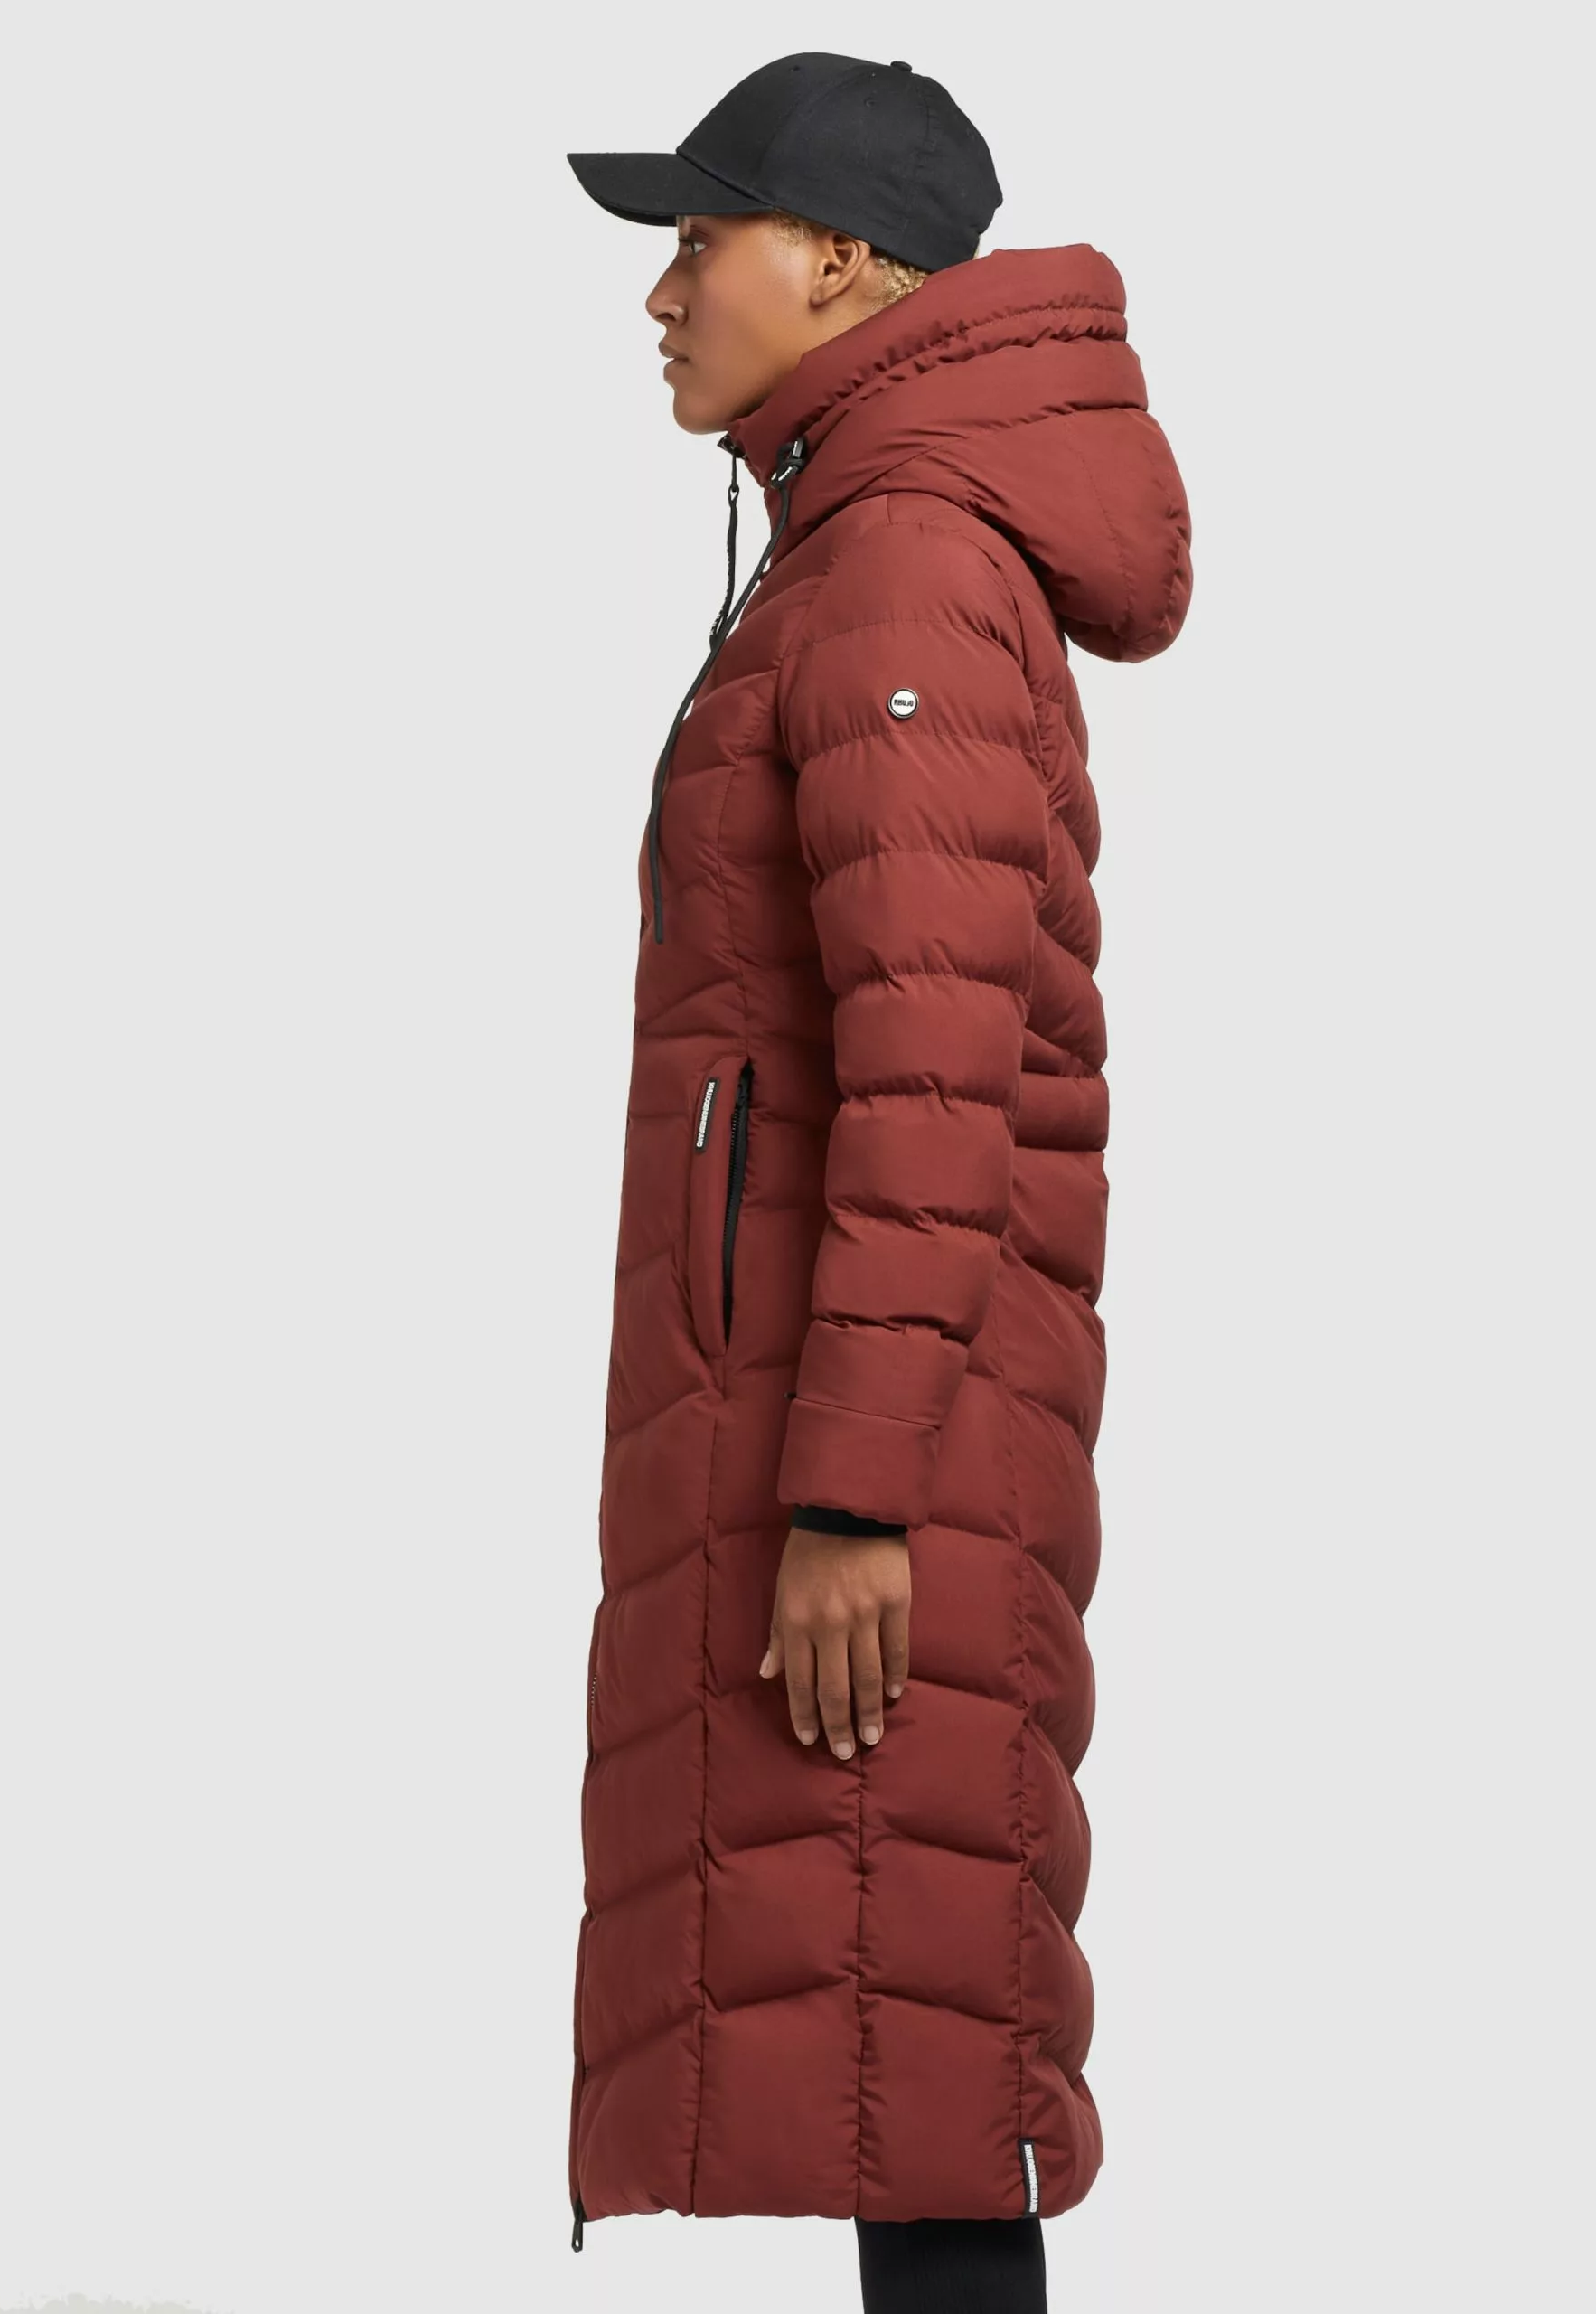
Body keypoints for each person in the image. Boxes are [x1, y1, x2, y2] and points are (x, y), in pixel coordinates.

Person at [563, 52, 1192, 2312]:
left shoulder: (906, 567)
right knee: (882, 2043)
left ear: (841, 260)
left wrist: (851, 1494)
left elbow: (938, 1068)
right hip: (850, 1414)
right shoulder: (867, 542)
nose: (659, 295)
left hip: (878, 1452)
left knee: (913, 2060)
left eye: (696, 240)